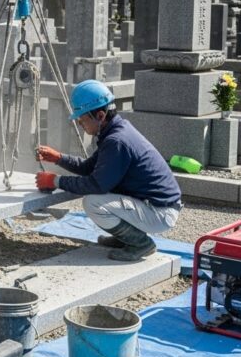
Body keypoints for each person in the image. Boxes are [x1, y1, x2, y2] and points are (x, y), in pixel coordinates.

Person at [34, 79, 182, 261]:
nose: (80, 124)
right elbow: (89, 168)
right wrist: (58, 158)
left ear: (100, 116)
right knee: (102, 197)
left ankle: (141, 244)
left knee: (93, 202)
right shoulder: (115, 132)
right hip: (154, 205)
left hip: (159, 212)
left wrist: (54, 181)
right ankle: (125, 238)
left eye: (82, 120)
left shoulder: (117, 141)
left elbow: (97, 184)